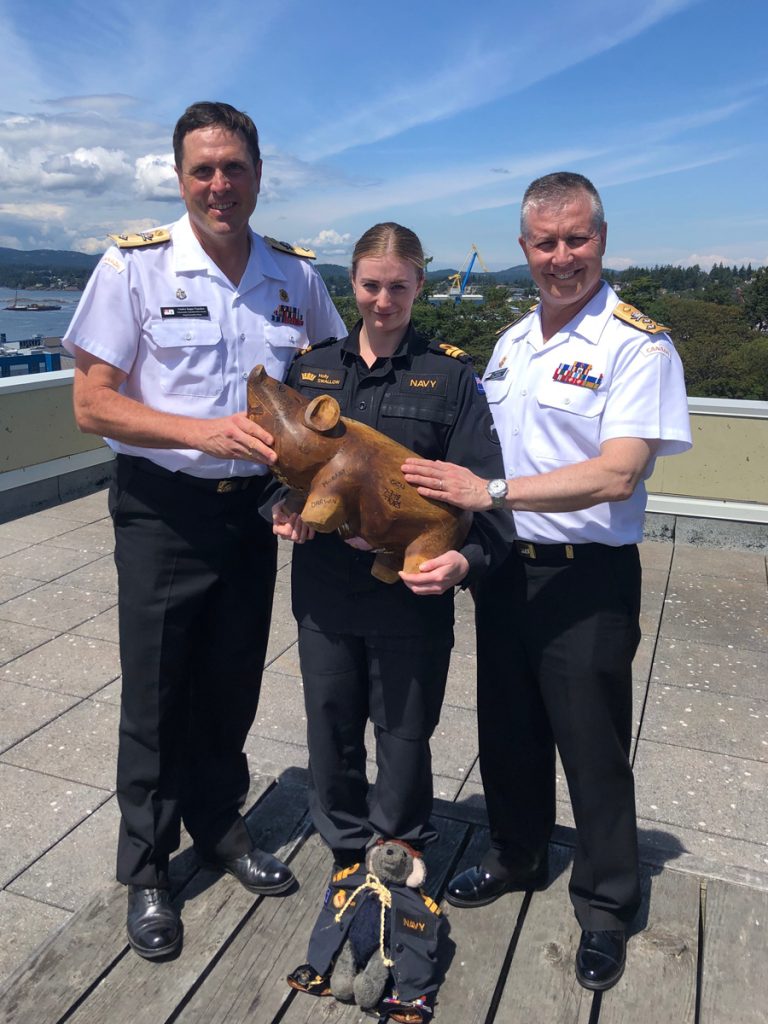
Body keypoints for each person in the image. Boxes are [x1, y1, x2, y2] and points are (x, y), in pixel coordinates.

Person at [63, 101, 345, 961]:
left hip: (255, 511)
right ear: (180, 177)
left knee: (230, 682)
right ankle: (147, 868)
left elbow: (332, 384)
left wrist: (308, 482)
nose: (219, 185)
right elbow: (90, 402)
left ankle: (220, 827)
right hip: (163, 507)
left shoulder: (295, 277)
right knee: (156, 691)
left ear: (260, 174)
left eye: (234, 168)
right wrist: (200, 431)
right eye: (202, 170)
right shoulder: (135, 268)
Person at [403, 172, 692, 992]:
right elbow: (482, 454)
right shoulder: (512, 343)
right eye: (545, 242)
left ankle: (605, 904)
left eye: (578, 238)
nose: (562, 256)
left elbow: (617, 474)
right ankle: (517, 853)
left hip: (585, 579)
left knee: (592, 747)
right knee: (510, 729)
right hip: (503, 569)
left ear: (603, 237)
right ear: (524, 248)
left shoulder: (637, 344)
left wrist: (488, 495)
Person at [271, 223, 511, 1007]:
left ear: (419, 286)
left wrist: (466, 561)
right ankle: (346, 854)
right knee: (330, 722)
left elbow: (482, 494)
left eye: (398, 285)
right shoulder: (309, 373)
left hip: (412, 599)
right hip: (327, 593)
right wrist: (283, 510)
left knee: (404, 728)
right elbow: (278, 476)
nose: (382, 300)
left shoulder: (449, 379)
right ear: (353, 285)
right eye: (370, 285)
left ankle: (397, 849)